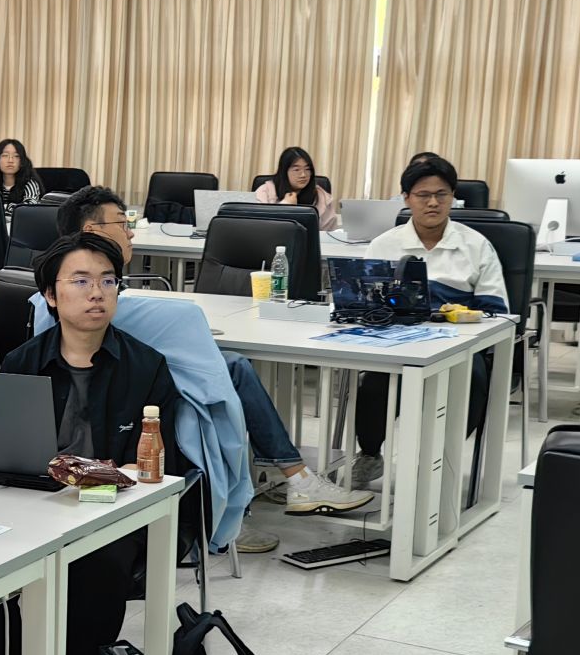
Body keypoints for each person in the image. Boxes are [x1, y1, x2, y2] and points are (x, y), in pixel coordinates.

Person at [52, 186, 372, 553]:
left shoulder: (59, 296)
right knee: (232, 369)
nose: (130, 233)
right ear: (92, 231)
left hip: (119, 410)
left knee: (231, 367)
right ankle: (282, 484)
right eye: (122, 225)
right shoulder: (127, 310)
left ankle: (280, 484)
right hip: (139, 417)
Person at [1, 233, 186, 655]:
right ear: (51, 295)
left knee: (96, 574)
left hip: (111, 514)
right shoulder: (21, 363)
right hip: (34, 507)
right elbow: (4, 453)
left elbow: (158, 462)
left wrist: (106, 477)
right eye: (80, 281)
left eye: (108, 281)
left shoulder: (146, 367)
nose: (97, 292)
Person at [350, 153, 508, 487]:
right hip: (396, 342)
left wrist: (450, 315)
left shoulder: (476, 246)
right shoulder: (385, 245)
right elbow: (366, 305)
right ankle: (370, 453)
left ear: (453, 198)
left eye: (441, 195)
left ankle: (441, 458)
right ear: (406, 198)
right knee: (374, 383)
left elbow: (495, 310)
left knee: (474, 379)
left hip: (459, 347)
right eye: (423, 195)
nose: (433, 203)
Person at [255, 146, 339, 234]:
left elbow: (330, 234)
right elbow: (259, 228)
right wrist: (285, 205)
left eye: (307, 169)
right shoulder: (264, 192)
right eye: (296, 169)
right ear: (284, 171)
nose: (303, 175)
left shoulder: (321, 196)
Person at [0, 137, 42, 214]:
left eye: (16, 156)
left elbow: (29, 208)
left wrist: (4, 208)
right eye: (5, 155)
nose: (10, 160)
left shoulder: (30, 184)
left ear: (22, 161)